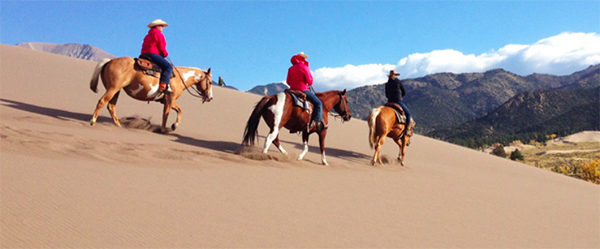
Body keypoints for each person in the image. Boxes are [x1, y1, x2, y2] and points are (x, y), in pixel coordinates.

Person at [286, 52, 325, 131]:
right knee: (318, 103)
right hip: (303, 89)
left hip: (292, 90)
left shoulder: (290, 69)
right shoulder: (304, 67)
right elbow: (310, 81)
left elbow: (288, 82)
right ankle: (317, 121)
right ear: (301, 58)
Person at [141, 19, 173, 93]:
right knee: (168, 67)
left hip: (143, 54)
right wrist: (165, 54)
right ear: (157, 26)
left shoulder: (147, 35)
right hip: (153, 54)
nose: (162, 28)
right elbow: (161, 47)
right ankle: (163, 84)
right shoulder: (159, 35)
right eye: (161, 26)